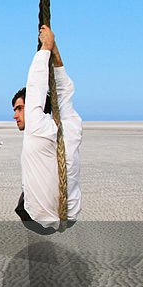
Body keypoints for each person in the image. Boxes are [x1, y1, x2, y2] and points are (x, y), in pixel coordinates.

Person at [11, 25, 83, 233]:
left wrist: (45, 49)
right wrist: (55, 51)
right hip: (71, 216)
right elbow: (64, 91)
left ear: (36, 108)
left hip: (38, 219)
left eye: (19, 109)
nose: (15, 115)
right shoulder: (72, 125)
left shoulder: (37, 128)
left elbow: (36, 86)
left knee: (25, 196)